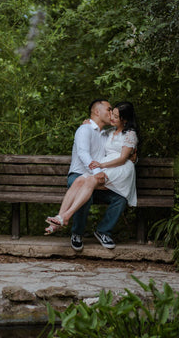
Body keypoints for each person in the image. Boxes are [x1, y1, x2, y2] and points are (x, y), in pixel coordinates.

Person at [44, 100, 139, 251]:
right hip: (82, 175)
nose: (111, 114)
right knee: (84, 192)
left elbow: (122, 151)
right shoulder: (85, 129)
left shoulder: (106, 134)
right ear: (97, 112)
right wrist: (97, 172)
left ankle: (103, 231)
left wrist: (132, 156)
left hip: (101, 177)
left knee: (120, 199)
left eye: (114, 112)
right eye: (109, 110)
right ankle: (76, 233)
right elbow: (83, 154)